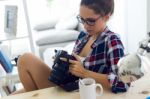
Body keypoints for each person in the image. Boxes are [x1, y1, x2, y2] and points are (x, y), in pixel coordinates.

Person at [16, 0, 130, 94]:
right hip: (66, 84)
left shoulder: (112, 41)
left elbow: (122, 82)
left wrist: (85, 73)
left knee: (26, 59)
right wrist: (63, 61)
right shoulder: (83, 37)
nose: (85, 26)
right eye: (82, 19)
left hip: (79, 92)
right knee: (15, 94)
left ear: (106, 17)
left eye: (90, 21)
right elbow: (74, 68)